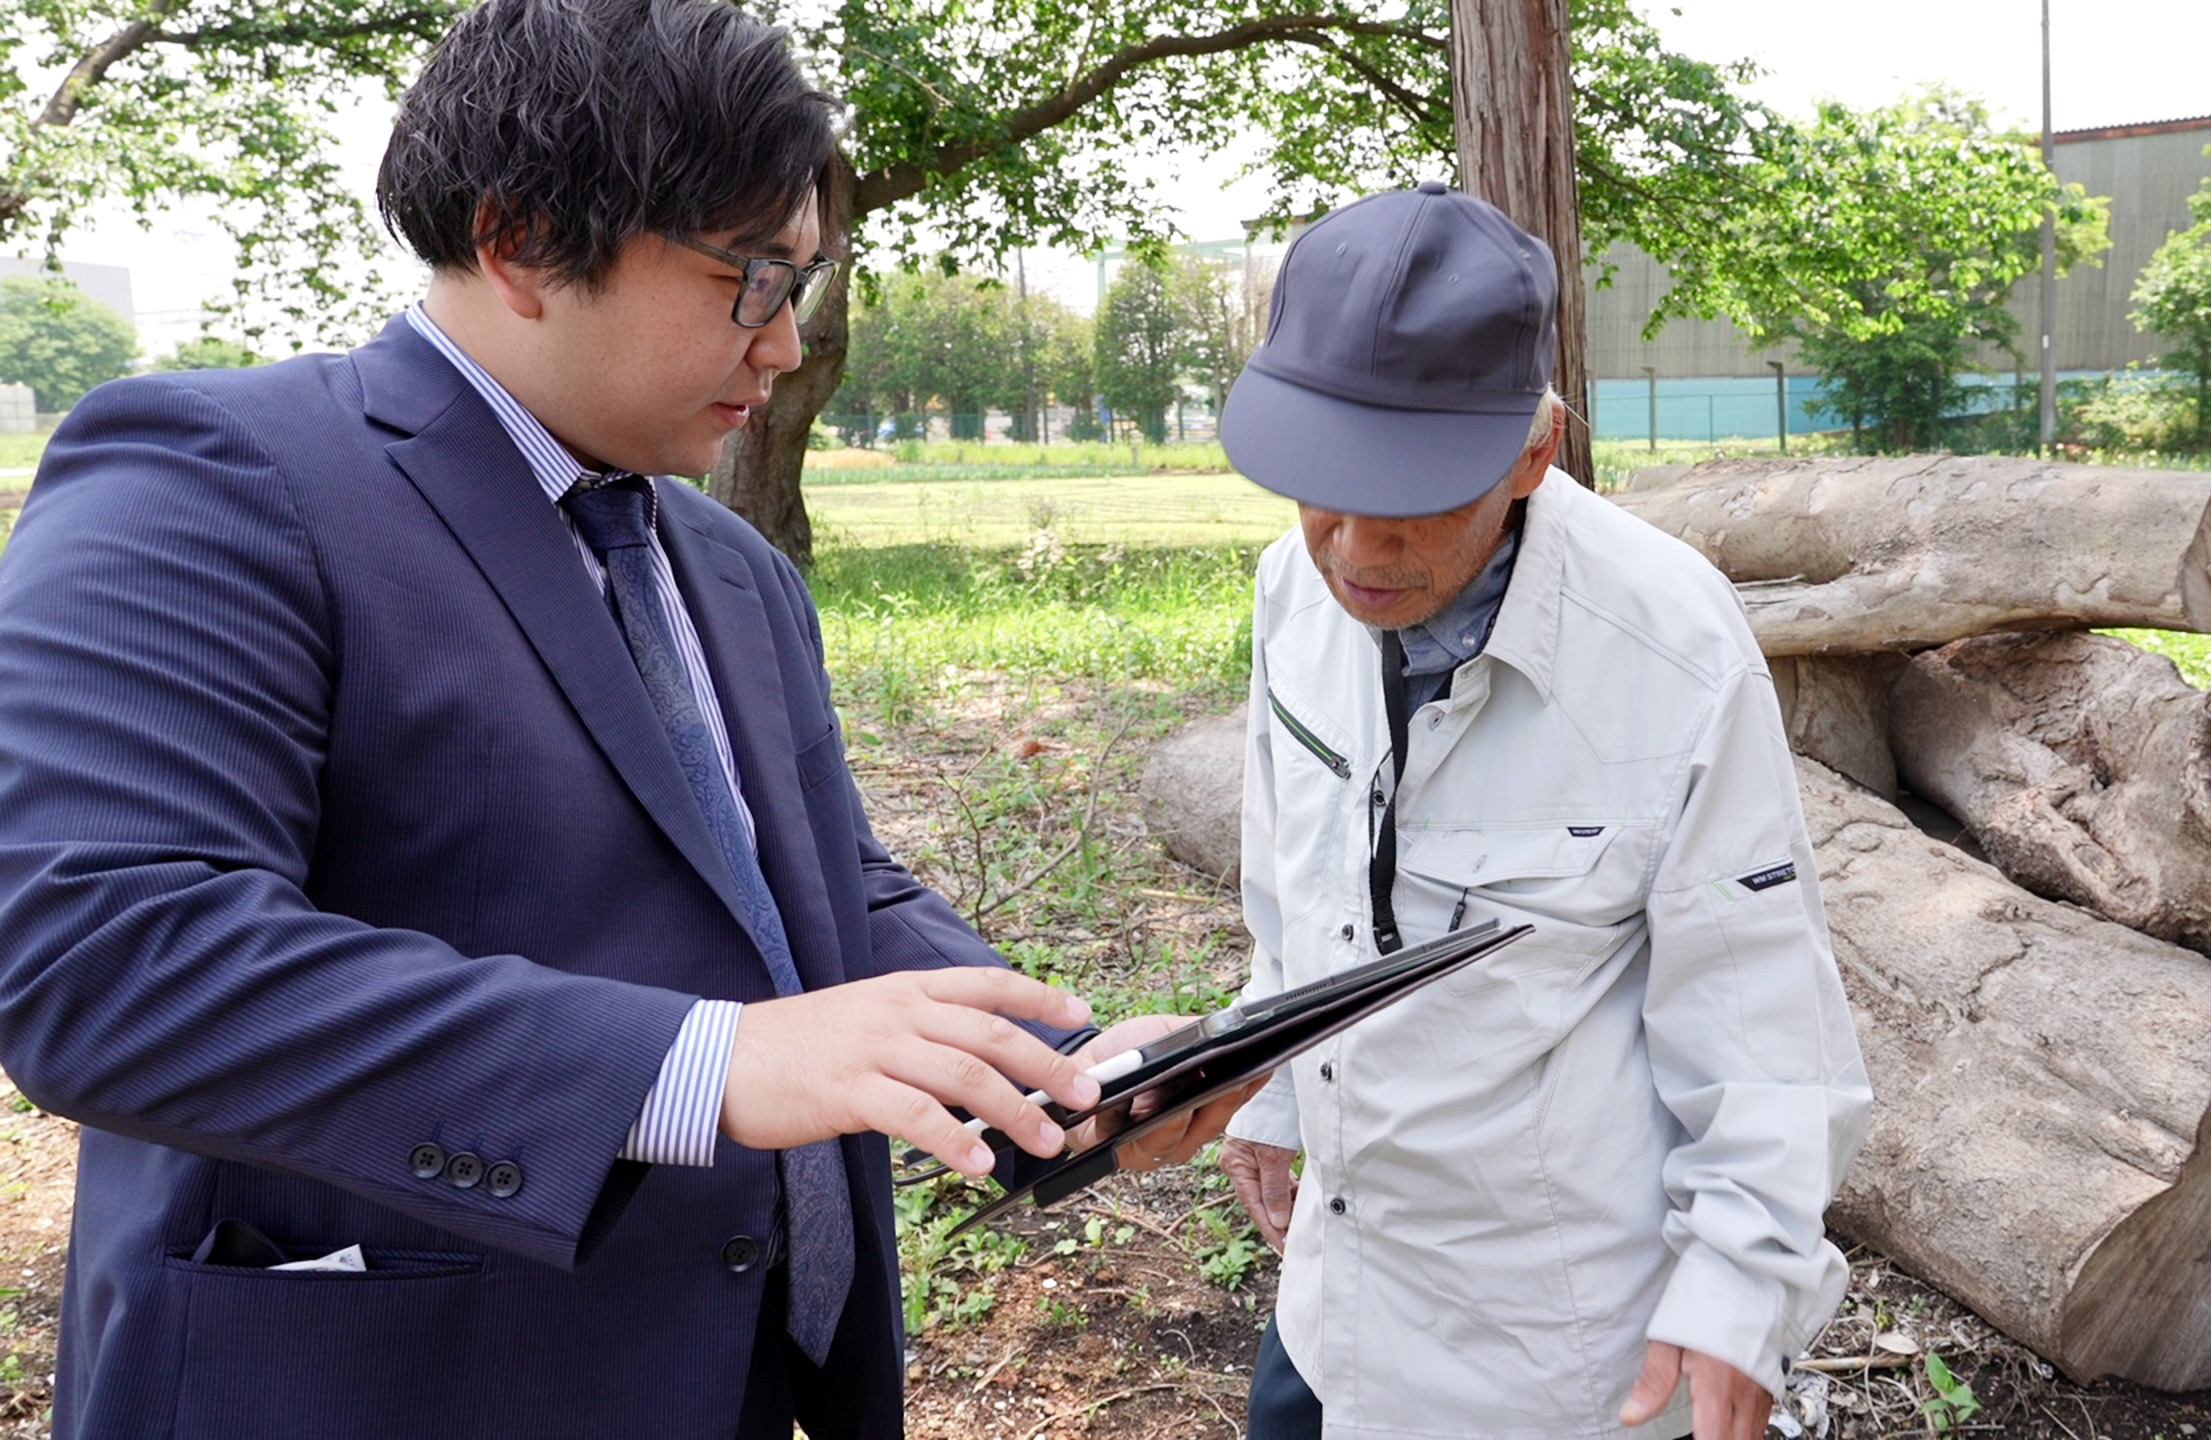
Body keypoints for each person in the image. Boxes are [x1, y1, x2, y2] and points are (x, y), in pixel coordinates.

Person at [0, 2, 1238, 1435]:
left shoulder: (727, 565)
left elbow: (823, 890)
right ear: (523, 239)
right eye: (752, 279)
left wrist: (1055, 1063)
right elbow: (102, 954)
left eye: (803, 284)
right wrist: (701, 1064)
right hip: (387, 1383)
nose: (785, 345)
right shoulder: (218, 477)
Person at [1211, 183, 1874, 1440]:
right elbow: (1291, 877)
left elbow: (1761, 1012)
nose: (1353, 548)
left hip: (1552, 1356)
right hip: (1333, 1301)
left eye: (1409, 497)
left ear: (1532, 451)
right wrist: (1273, 1090)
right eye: (1320, 488)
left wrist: (1742, 1283)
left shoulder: (1671, 646)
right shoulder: (1291, 590)